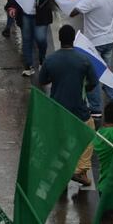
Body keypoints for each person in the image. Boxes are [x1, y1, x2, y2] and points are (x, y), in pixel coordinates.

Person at [38, 24, 99, 185]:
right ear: (73, 39)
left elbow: (42, 80)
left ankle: (59, 175)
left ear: (59, 38)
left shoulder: (50, 60)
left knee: (58, 141)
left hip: (57, 108)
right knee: (89, 134)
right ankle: (81, 169)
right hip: (79, 108)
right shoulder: (84, 60)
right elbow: (93, 82)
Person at [72, 0, 113, 114]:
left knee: (92, 76)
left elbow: (72, 12)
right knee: (107, 72)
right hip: (108, 40)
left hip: (94, 44)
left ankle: (95, 106)